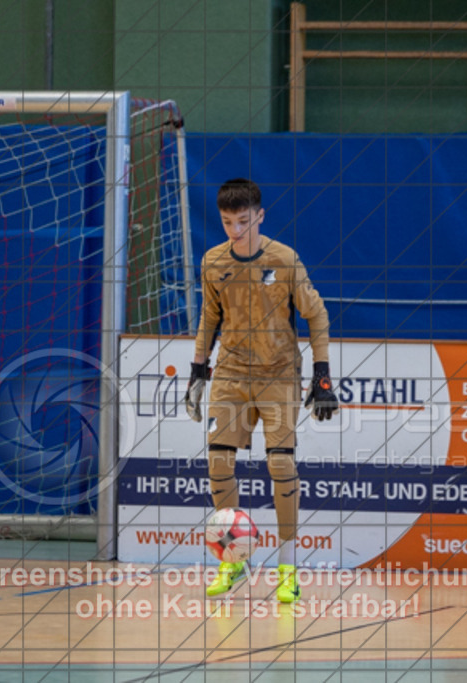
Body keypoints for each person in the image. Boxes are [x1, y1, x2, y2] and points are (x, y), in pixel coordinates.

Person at [184, 178, 339, 604]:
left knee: (281, 468)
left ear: (260, 216)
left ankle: (288, 570)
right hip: (232, 373)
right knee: (218, 463)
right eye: (227, 222)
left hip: (278, 374)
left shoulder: (284, 259)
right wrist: (198, 370)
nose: (235, 231)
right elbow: (208, 317)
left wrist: (322, 374)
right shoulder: (213, 262)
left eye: (244, 221)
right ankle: (233, 562)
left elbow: (317, 315)